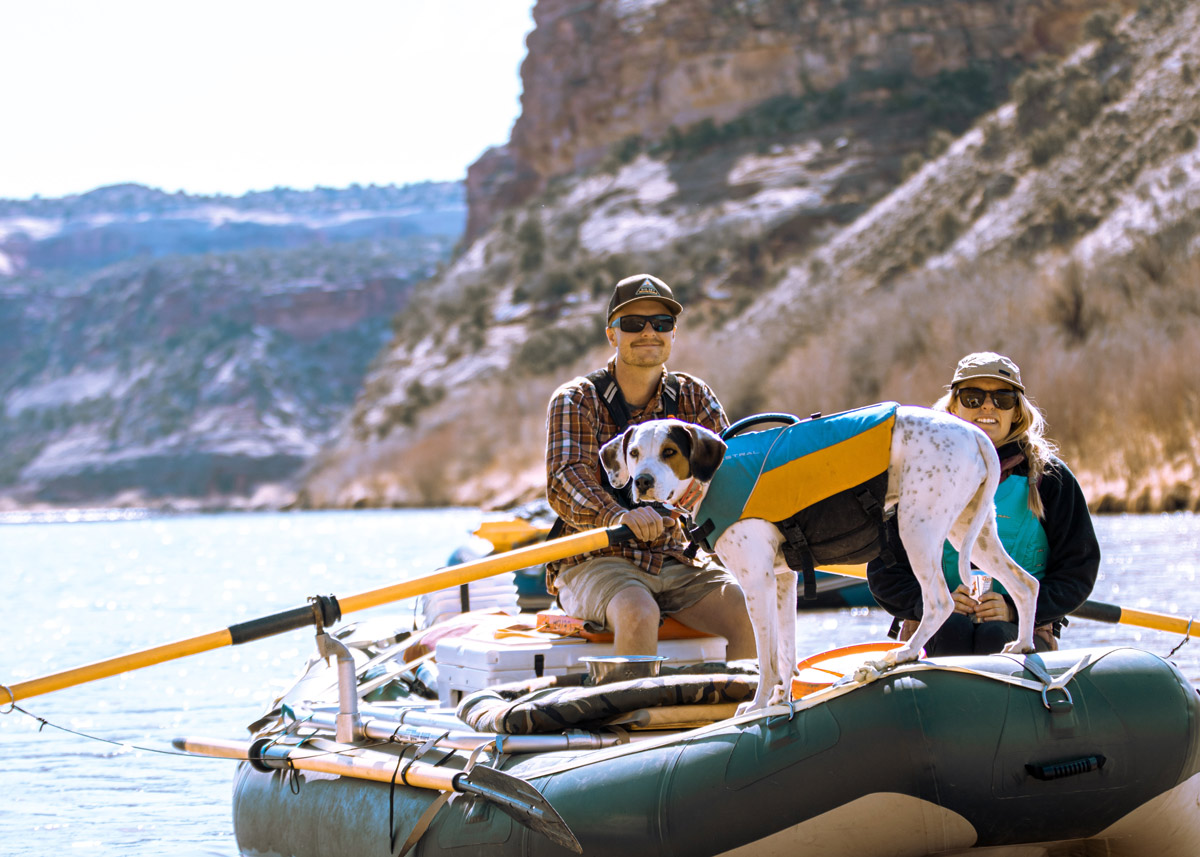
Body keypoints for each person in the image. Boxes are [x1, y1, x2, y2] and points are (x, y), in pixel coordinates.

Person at [544, 274, 756, 659]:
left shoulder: (693, 395)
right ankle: (634, 716)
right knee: (638, 611)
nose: (648, 333)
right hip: (594, 560)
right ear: (612, 334)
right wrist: (617, 517)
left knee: (746, 607)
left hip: (677, 556)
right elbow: (564, 480)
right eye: (632, 324)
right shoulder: (576, 399)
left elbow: (732, 470)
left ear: (673, 334)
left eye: (660, 324)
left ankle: (754, 714)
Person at [867, 351, 1100, 655]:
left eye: (1003, 398)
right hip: (936, 630)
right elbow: (885, 572)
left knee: (994, 635)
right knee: (952, 629)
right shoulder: (917, 475)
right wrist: (930, 602)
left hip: (1018, 629)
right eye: (973, 397)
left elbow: (1078, 571)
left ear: (1017, 411)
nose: (988, 405)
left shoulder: (1051, 479)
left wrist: (1013, 610)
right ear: (954, 405)